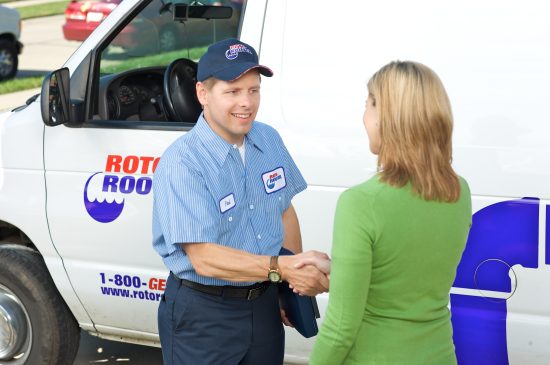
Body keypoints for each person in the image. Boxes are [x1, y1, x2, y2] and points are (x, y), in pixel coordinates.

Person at [152, 38, 330, 365]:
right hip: (205, 314)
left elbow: (284, 212)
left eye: (254, 90)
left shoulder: (268, 139)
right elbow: (204, 258)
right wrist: (282, 269)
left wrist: (283, 288)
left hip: (263, 306)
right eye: (232, 92)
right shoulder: (183, 162)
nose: (246, 103)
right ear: (203, 94)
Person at [309, 61, 472, 365]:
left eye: (368, 105)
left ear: (388, 119)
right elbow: (409, 277)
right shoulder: (459, 192)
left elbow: (341, 328)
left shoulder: (360, 202)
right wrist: (342, 272)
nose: (364, 118)